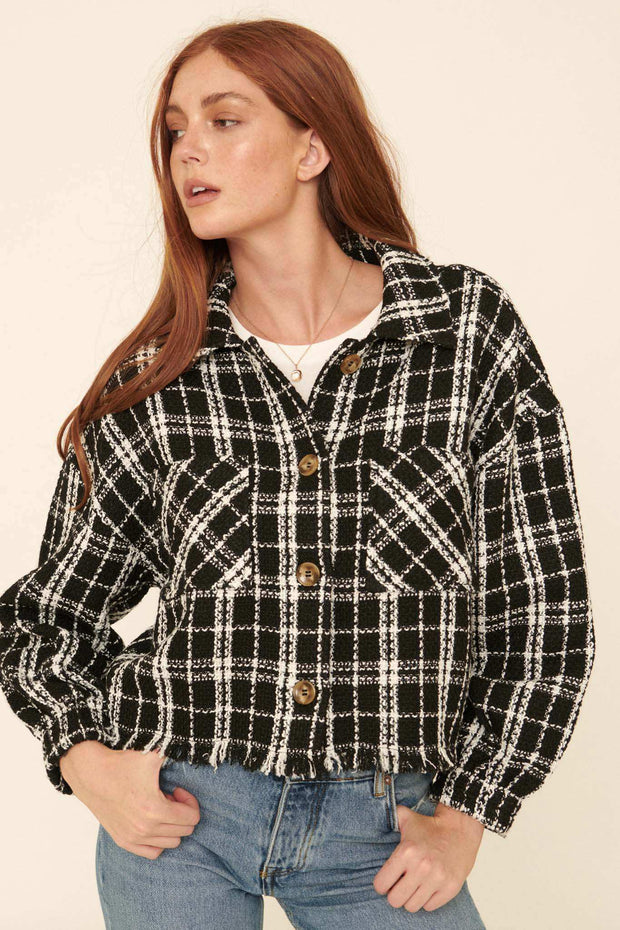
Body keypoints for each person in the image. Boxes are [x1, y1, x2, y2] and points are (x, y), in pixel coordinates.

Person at [0, 17, 595, 930]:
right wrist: (85, 761)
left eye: (224, 120)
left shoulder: (464, 332)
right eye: (174, 129)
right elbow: (44, 619)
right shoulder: (162, 377)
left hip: (386, 831)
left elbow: (543, 610)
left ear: (312, 147)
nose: (187, 150)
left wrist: (470, 813)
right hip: (180, 817)